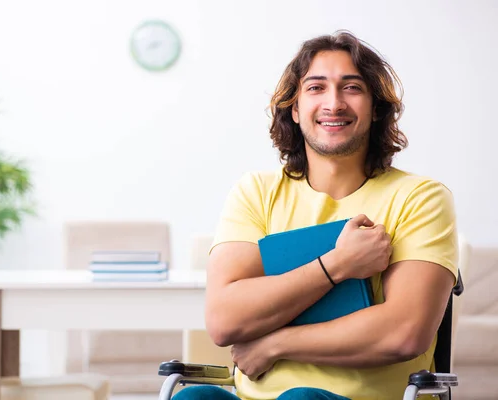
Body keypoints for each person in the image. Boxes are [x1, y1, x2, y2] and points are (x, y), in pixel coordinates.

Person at [173, 31, 458, 400]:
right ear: (295, 108)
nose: (334, 103)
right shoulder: (256, 192)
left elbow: (404, 332)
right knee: (192, 397)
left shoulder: (420, 198)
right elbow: (225, 321)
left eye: (352, 88)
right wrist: (337, 264)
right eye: (316, 87)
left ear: (376, 109)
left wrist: (275, 344)